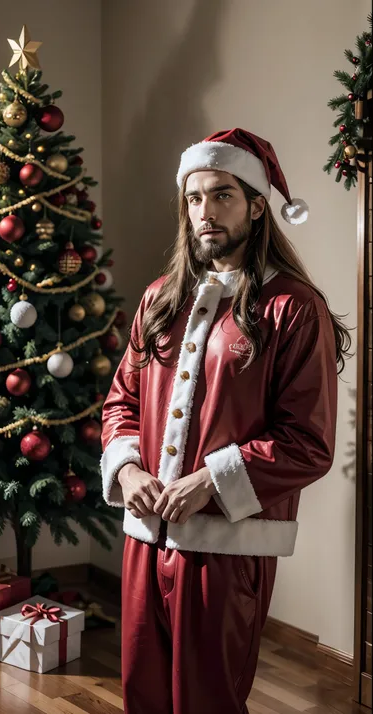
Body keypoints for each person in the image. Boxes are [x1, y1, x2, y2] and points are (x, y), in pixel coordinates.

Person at [99, 128, 351, 714]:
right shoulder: (160, 298)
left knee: (208, 699)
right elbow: (121, 402)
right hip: (146, 534)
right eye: (193, 198)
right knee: (145, 695)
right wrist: (129, 469)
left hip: (228, 548)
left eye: (222, 196)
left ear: (257, 207)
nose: (204, 213)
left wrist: (209, 480)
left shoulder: (294, 308)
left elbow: (308, 441)